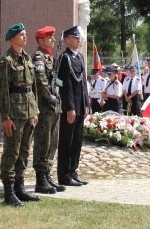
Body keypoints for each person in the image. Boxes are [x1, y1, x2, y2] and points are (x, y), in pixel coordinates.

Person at [0, 23, 40, 207]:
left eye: (25, 34)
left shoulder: (27, 58)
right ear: (12, 38)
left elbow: (33, 87)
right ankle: (8, 191)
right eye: (21, 35)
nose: (25, 37)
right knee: (11, 152)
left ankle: (19, 188)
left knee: (24, 151)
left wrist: (35, 110)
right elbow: (2, 91)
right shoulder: (6, 60)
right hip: (14, 112)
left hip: (28, 111)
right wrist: (5, 117)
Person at [31, 26, 66, 195]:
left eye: (53, 37)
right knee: (43, 142)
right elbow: (41, 79)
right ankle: (40, 179)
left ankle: (47, 174)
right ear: (40, 40)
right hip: (45, 107)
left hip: (54, 106)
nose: (52, 40)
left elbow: (54, 80)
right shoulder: (39, 57)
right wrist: (48, 96)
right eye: (49, 37)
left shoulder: (50, 57)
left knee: (53, 142)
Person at [57, 26, 89, 188]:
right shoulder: (65, 58)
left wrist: (86, 103)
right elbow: (65, 85)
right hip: (71, 107)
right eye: (76, 38)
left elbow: (83, 83)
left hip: (80, 105)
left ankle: (73, 171)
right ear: (67, 39)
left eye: (79, 38)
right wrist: (70, 107)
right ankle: (64, 174)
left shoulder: (80, 57)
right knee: (66, 141)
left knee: (76, 141)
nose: (79, 40)